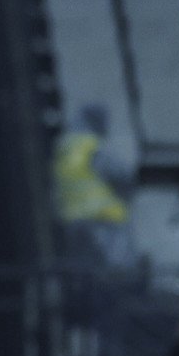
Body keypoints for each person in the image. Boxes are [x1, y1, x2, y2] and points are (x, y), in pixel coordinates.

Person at [53, 104, 131, 265]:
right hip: (103, 218)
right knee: (114, 269)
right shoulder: (92, 147)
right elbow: (121, 175)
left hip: (73, 220)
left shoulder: (64, 149)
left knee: (84, 270)